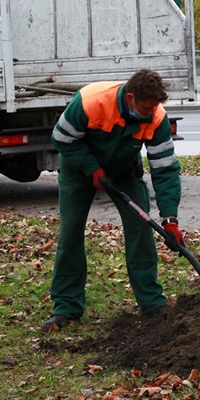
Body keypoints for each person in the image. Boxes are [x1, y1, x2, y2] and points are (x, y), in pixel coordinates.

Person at [41, 69, 183, 331]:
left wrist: (170, 219)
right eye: (146, 108)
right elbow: (61, 138)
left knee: (141, 228)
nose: (151, 113)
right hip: (78, 170)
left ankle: (152, 303)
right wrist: (91, 168)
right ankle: (66, 306)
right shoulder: (90, 101)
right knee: (71, 233)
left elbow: (164, 169)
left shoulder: (157, 117)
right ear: (130, 98)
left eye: (155, 107)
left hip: (123, 170)